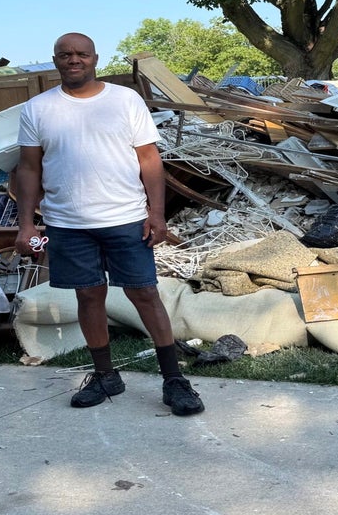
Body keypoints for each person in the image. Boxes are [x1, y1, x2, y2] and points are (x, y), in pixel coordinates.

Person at [13, 32, 204, 416]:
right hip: (67, 223)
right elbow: (29, 168)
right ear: (55, 61)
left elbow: (150, 160)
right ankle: (105, 375)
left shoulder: (124, 100)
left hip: (125, 219)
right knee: (88, 296)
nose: (74, 60)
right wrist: (26, 225)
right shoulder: (37, 109)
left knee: (144, 294)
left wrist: (157, 212)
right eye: (65, 54)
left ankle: (174, 380)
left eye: (81, 54)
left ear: (95, 58)